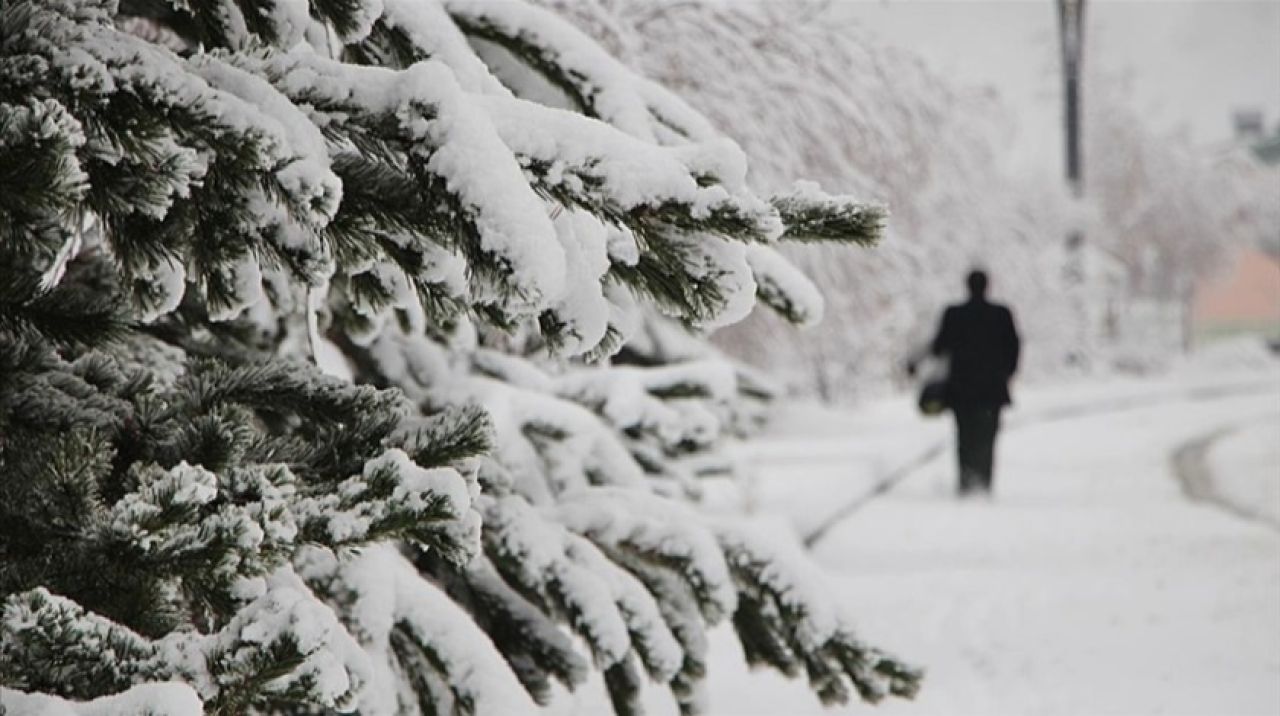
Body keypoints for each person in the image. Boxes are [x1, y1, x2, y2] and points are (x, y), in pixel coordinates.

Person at [920, 269, 1020, 496]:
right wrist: (1006, 373)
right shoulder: (1001, 314)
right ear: (987, 286)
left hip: (962, 389)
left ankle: (966, 481)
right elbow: (1013, 347)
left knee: (964, 435)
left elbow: (939, 346)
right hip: (992, 389)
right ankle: (983, 481)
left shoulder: (954, 314)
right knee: (987, 435)